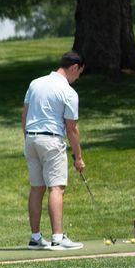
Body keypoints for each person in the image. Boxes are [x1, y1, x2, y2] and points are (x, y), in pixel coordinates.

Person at [22, 51, 87, 250]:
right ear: (74, 67)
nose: (78, 78)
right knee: (56, 188)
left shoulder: (35, 83)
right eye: (79, 74)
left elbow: (24, 117)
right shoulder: (68, 92)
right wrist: (79, 157)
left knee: (36, 188)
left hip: (31, 139)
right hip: (51, 140)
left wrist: (29, 140)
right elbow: (71, 129)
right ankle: (58, 238)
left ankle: (35, 238)